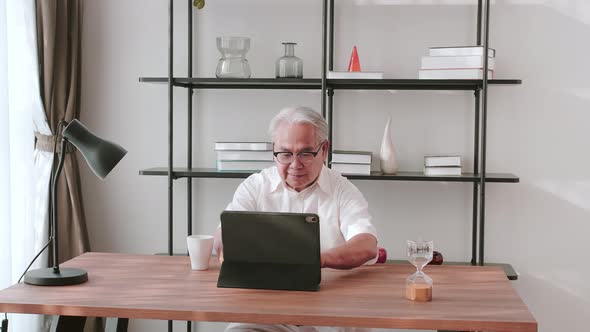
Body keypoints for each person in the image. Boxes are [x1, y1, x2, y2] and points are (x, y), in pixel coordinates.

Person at [214, 106, 379, 332]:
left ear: (324, 150)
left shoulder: (343, 190)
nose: (294, 164)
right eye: (285, 154)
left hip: (326, 315)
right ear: (274, 150)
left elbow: (367, 245)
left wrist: (315, 260)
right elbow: (224, 235)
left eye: (305, 153)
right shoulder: (255, 186)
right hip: (263, 313)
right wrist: (228, 250)